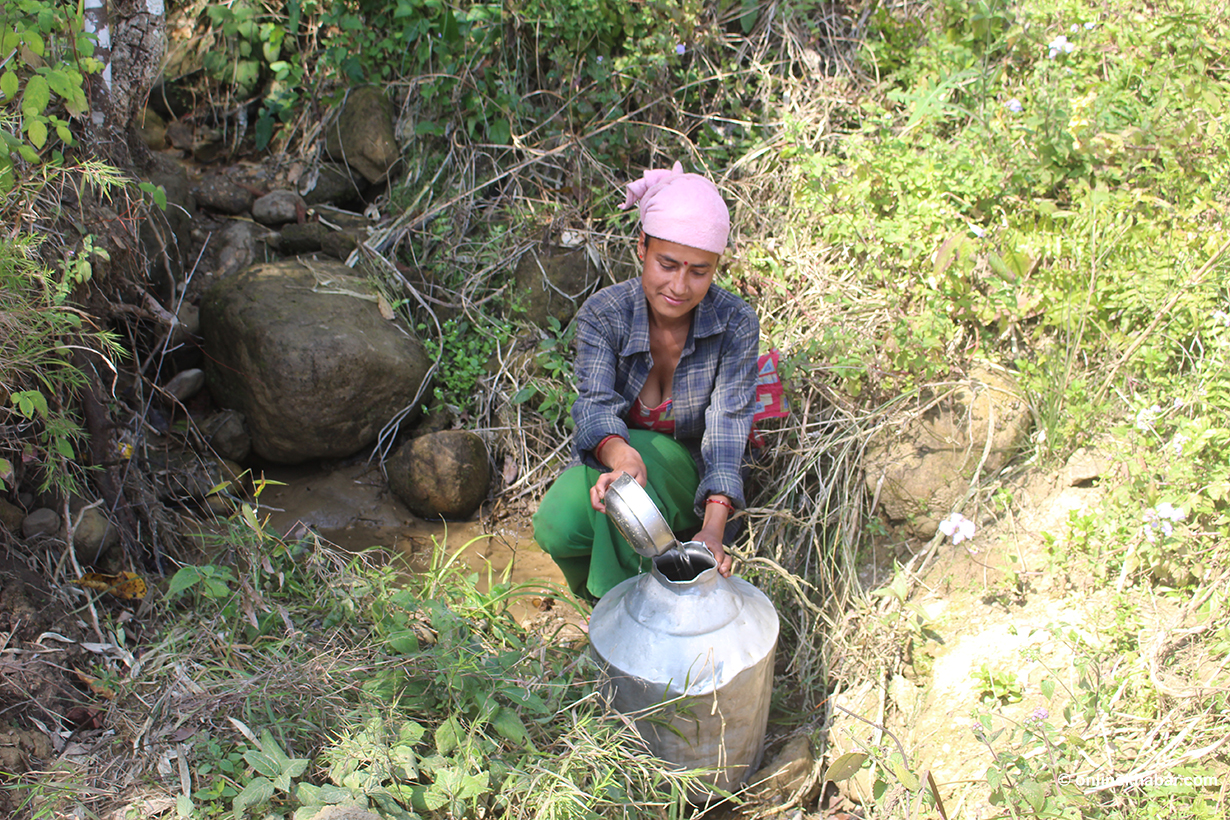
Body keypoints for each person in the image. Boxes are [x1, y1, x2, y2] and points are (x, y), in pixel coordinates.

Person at [532, 161, 760, 602]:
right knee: (556, 526)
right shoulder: (605, 314)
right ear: (642, 246)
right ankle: (604, 604)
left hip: (691, 480)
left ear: (716, 267)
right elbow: (595, 406)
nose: (680, 286)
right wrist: (620, 455)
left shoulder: (735, 323)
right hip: (624, 470)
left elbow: (728, 429)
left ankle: (626, 612)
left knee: (627, 497)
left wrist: (713, 528)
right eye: (667, 264)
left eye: (699, 271)